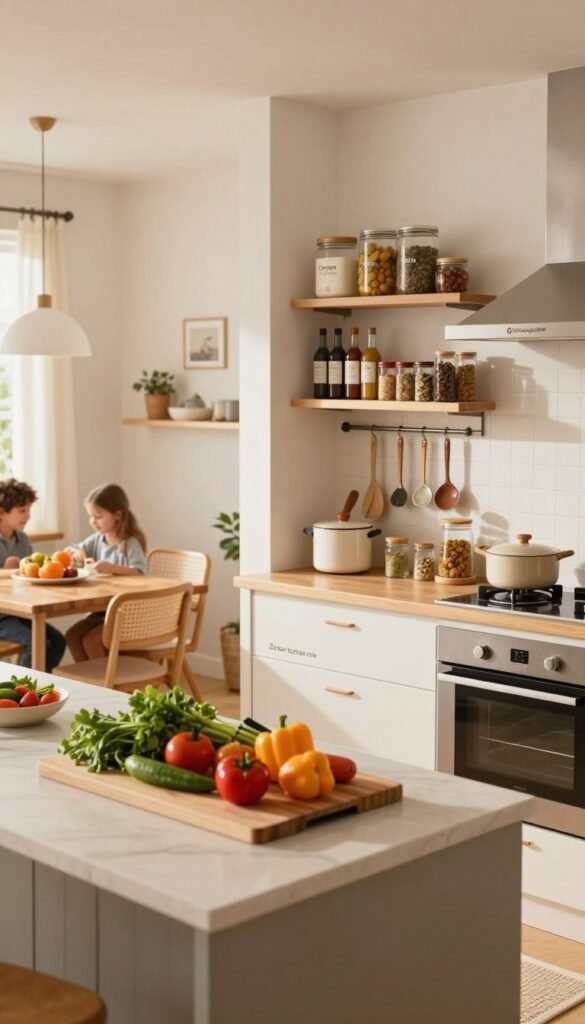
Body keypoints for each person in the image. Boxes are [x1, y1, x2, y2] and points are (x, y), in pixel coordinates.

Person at [65, 483, 147, 662]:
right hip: (103, 611)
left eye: (98, 516)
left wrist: (110, 568)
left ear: (117, 515)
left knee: (91, 641)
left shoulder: (129, 543)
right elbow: (70, 548)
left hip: (128, 614)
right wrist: (76, 552)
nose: (93, 522)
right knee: (72, 636)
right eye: (90, 516)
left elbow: (140, 573)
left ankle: (105, 685)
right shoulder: (97, 540)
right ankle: (90, 682)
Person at [0, 478, 66, 672]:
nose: (28, 516)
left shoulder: (23, 540)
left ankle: (37, 686)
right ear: (2, 513)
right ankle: (22, 694)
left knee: (58, 642)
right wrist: (5, 570)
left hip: (18, 612)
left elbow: (30, 574)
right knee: (36, 643)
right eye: (22, 511)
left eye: (29, 510)